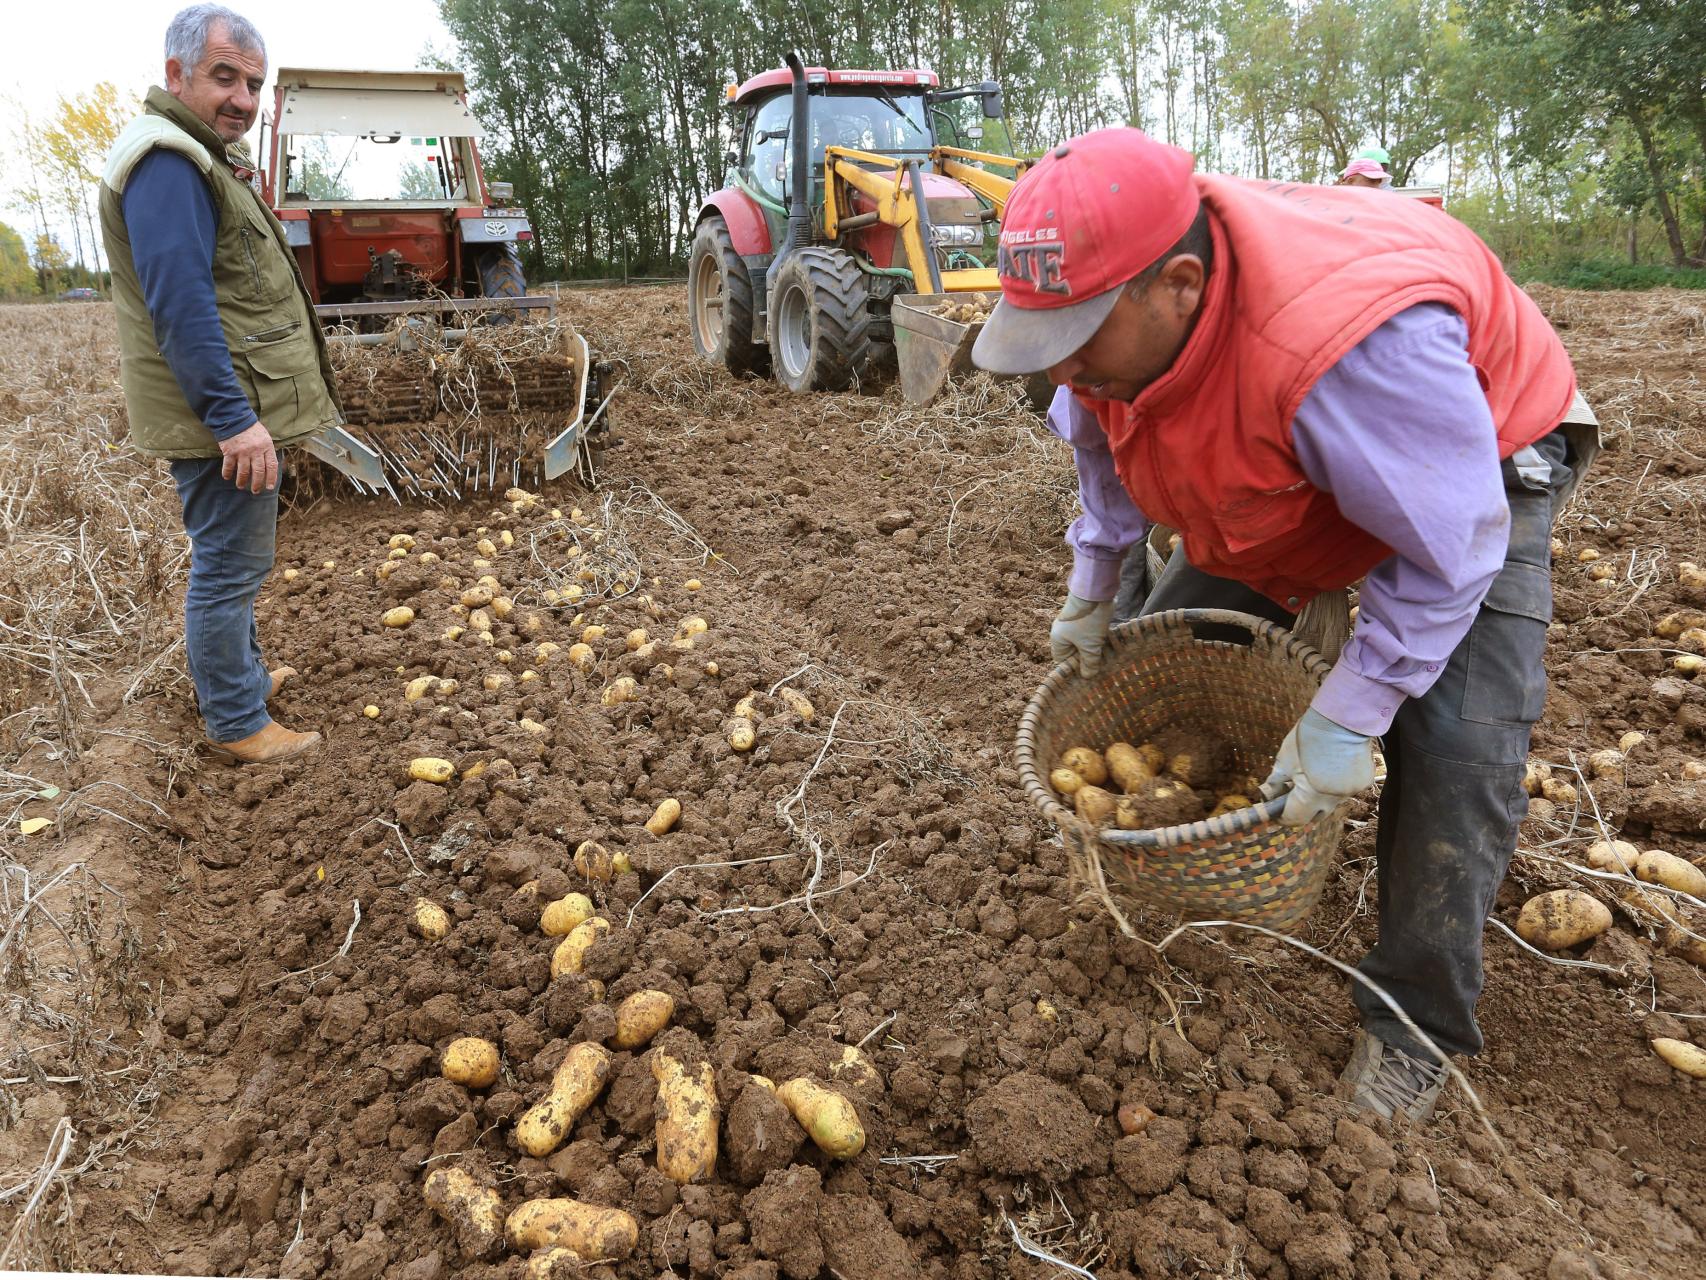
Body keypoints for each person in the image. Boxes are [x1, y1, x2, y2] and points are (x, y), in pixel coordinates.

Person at [973, 128, 1597, 1123]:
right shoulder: (1101, 341)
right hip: (1291, 462)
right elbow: (1100, 446)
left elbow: (1450, 543)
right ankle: (1191, 891)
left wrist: (1353, 707)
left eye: (1079, 337)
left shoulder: (1344, 346)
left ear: (1177, 285)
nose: (1066, 363)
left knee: (1453, 747)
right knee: (1175, 660)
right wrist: (1093, 580)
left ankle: (1413, 1023)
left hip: (1477, 457)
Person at [99, 4, 341, 764]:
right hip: (219, 413)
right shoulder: (170, 162)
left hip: (226, 402)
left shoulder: (194, 154)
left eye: (255, 84)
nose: (243, 97)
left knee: (237, 558)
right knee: (229, 565)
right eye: (224, 76)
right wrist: (233, 419)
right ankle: (238, 721)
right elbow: (182, 304)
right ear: (176, 75)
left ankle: (242, 678)